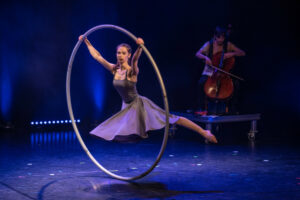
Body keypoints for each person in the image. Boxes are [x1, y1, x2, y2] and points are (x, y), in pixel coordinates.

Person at [79, 35, 217, 143]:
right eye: (118, 53)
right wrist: (86, 41)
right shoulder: (114, 69)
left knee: (172, 118)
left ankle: (204, 132)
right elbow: (98, 56)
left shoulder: (132, 72)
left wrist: (140, 47)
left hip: (138, 105)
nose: (119, 55)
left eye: (123, 53)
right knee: (120, 132)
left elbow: (135, 60)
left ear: (128, 55)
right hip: (126, 107)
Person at [195, 26, 245, 115]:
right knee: (201, 83)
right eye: (219, 37)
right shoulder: (209, 44)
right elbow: (197, 54)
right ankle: (201, 107)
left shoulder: (228, 45)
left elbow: (242, 53)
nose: (221, 40)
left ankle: (232, 108)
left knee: (236, 84)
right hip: (210, 71)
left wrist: (231, 53)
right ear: (215, 36)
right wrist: (205, 57)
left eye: (223, 37)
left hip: (224, 73)